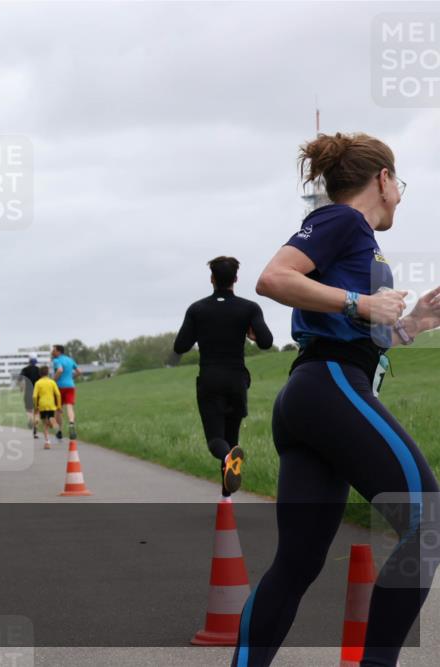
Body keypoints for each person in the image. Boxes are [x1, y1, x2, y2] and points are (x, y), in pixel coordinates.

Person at [232, 132, 440, 666]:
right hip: (328, 386)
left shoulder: (358, 240)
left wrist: (415, 322)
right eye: (401, 184)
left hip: (315, 393)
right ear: (384, 180)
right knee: (428, 520)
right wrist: (360, 301)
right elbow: (273, 278)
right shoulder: (344, 220)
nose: (400, 196)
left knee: (297, 564)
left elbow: (361, 334)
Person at [173, 256, 274, 496]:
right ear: (236, 279)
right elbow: (267, 342)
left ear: (212, 279)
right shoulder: (249, 308)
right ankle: (226, 495)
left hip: (209, 380)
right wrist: (252, 336)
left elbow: (181, 346)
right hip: (237, 380)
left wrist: (200, 331)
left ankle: (228, 460)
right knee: (231, 435)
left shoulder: (197, 309)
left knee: (216, 440)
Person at [51, 344, 81, 440]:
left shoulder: (56, 360)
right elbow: (79, 372)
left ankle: (59, 431)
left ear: (59, 351)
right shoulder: (70, 359)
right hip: (70, 386)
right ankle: (71, 424)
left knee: (58, 409)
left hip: (59, 387)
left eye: (54, 350)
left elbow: (59, 370)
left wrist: (53, 380)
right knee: (69, 406)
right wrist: (70, 378)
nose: (52, 352)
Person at [32, 366, 61, 450]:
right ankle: (57, 430)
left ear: (39, 374)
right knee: (52, 420)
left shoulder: (38, 383)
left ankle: (47, 442)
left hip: (42, 405)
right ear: (48, 373)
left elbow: (34, 396)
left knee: (45, 424)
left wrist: (35, 406)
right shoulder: (52, 382)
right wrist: (59, 405)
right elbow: (58, 394)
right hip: (51, 405)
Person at [19, 357, 41, 439]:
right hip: (38, 393)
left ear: (29, 361)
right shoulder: (39, 370)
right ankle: (35, 431)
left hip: (28, 392)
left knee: (28, 410)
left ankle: (31, 420)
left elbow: (20, 380)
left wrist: (21, 388)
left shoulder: (25, 369)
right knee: (37, 411)